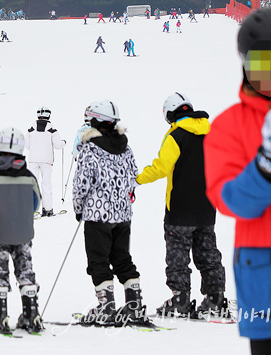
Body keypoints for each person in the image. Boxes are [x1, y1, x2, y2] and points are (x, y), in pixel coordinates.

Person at [205, 8, 271, 354]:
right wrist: (266, 168)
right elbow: (230, 200)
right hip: (267, 290)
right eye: (265, 64)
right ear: (247, 65)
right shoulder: (227, 127)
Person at [136, 93, 228, 318]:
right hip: (207, 206)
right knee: (208, 251)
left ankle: (180, 299)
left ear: (170, 115)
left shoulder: (175, 136)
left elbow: (161, 167)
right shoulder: (212, 134)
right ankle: (215, 297)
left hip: (179, 209)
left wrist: (137, 179)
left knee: (178, 253)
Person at [73, 100, 143, 326]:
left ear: (95, 121)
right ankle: (135, 305)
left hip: (97, 215)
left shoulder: (90, 149)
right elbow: (133, 176)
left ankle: (106, 307)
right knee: (122, 258)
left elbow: (81, 183)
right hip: (122, 215)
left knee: (98, 260)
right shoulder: (126, 147)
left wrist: (78, 208)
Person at [0, 127, 43, 334]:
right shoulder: (29, 177)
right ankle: (31, 313)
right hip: (23, 233)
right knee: (25, 268)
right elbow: (36, 204)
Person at [26, 107, 66, 217]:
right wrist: (64, 143)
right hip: (47, 161)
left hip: (33, 160)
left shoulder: (30, 130)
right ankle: (48, 209)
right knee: (46, 185)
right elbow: (58, 145)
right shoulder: (52, 130)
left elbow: (27, 146)